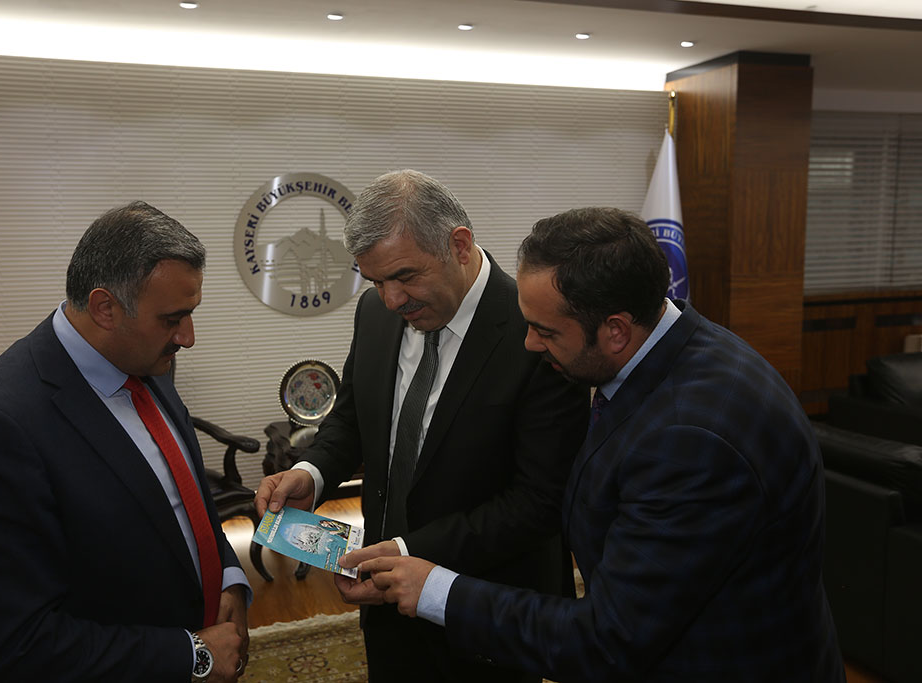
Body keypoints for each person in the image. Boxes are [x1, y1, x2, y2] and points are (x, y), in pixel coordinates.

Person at [347, 206, 847, 682]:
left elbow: (608, 640)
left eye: (545, 331)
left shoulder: (689, 442)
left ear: (615, 331)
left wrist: (435, 589)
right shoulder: (674, 347)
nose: (529, 344)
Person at [255, 170, 587, 682]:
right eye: (376, 281)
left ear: (459, 245)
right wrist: (313, 472)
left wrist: (409, 552)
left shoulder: (537, 327)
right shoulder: (375, 311)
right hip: (384, 601)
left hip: (488, 610)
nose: (392, 299)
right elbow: (353, 416)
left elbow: (540, 501)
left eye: (405, 276)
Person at [0, 201, 251, 683]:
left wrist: (228, 576)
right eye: (173, 319)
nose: (188, 337)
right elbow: (14, 644)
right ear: (106, 308)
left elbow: (182, 499)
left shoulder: (147, 359)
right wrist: (191, 656)